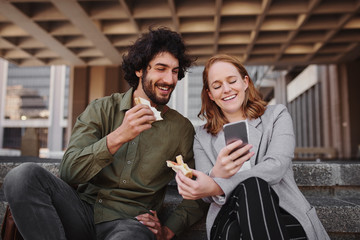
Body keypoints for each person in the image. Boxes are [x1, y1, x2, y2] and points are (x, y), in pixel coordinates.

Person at [3, 27, 206, 240]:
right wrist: (119, 136)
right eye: (161, 68)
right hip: (81, 212)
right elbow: (69, 171)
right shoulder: (101, 109)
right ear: (139, 69)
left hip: (131, 223)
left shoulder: (180, 128)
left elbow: (198, 191)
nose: (170, 79)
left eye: (174, 71)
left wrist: (168, 230)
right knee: (20, 177)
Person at [175, 54, 330, 240]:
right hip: (228, 216)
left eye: (232, 81)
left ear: (245, 82)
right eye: (217, 86)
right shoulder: (202, 136)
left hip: (283, 209)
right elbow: (205, 193)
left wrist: (217, 185)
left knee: (254, 187)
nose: (226, 89)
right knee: (250, 191)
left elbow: (276, 166)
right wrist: (216, 173)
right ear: (210, 94)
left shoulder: (276, 116)